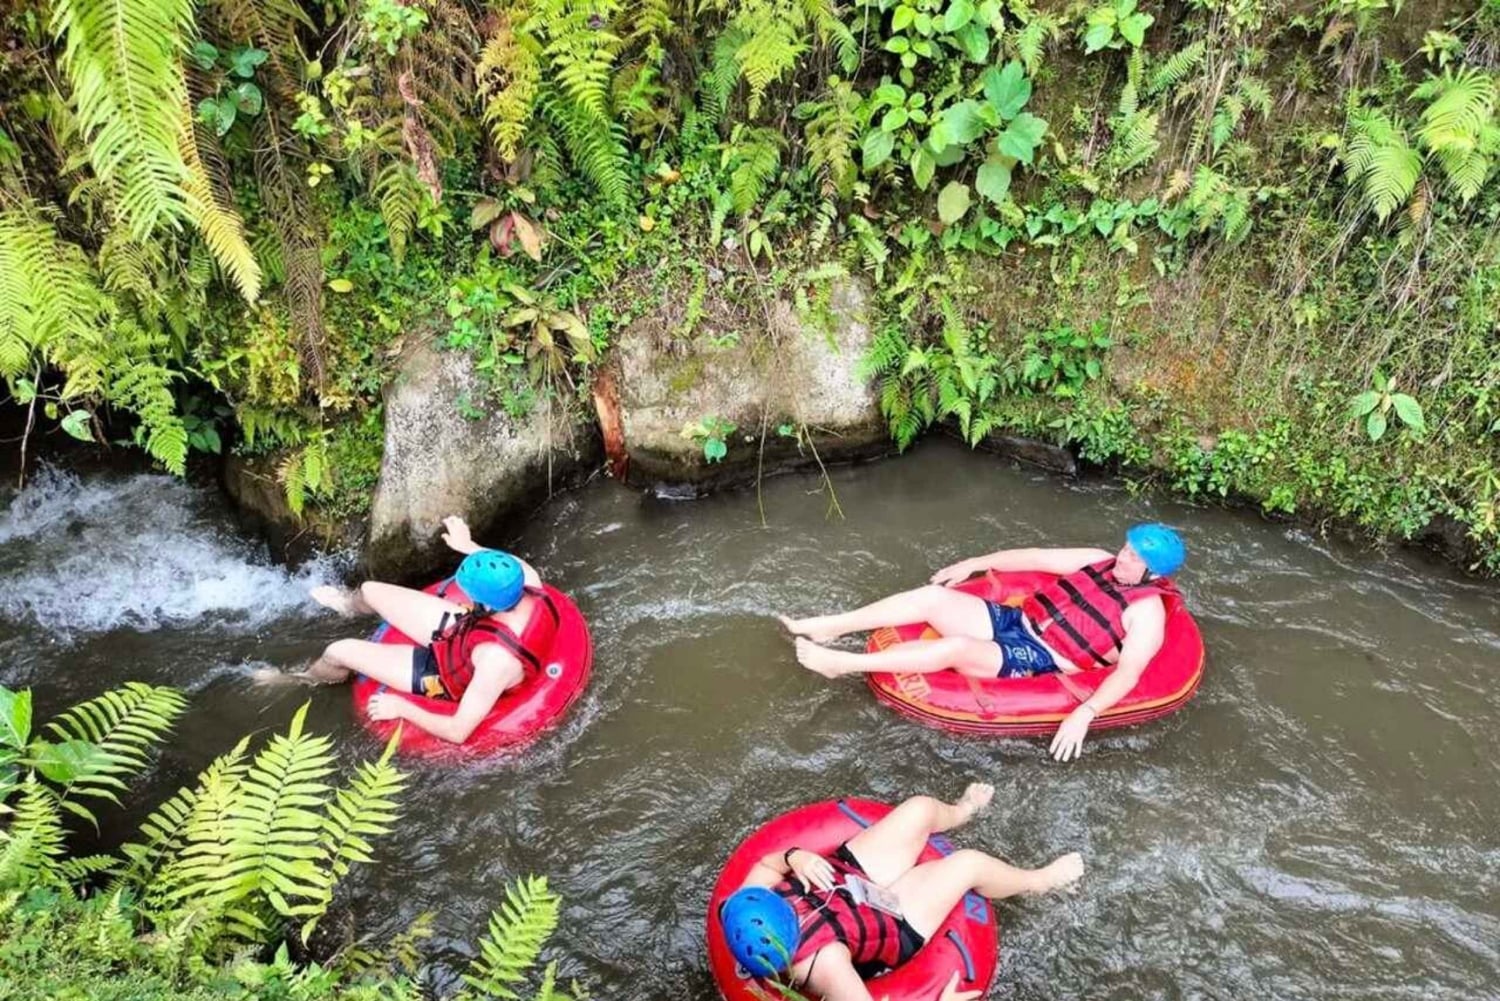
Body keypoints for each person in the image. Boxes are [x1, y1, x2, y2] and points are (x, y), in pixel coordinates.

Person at [778, 523, 1186, 761]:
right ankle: (833, 625)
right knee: (932, 598)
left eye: (1134, 557)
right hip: (1021, 620)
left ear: (1153, 574)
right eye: (1126, 547)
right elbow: (1037, 557)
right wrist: (975, 563)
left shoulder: (1146, 613)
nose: (1122, 556)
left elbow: (1130, 672)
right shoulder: (1098, 559)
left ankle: (839, 663)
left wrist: (1086, 711)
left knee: (957, 648)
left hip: (1045, 656)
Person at [718, 783, 1082, 1001]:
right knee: (968, 863)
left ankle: (964, 810)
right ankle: (1038, 882)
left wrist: (795, 857)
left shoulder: (744, 903)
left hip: (848, 878)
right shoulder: (824, 966)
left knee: (920, 808)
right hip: (890, 922)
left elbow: (768, 865)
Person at [255, 515, 557, 744]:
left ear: (487, 606)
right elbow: (494, 564)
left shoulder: (496, 662)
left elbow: (458, 731)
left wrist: (401, 707)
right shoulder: (526, 578)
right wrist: (467, 546)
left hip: (449, 672)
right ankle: (348, 606)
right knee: (371, 590)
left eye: (471, 593)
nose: (463, 592)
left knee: (337, 652)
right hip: (466, 633)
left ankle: (301, 679)